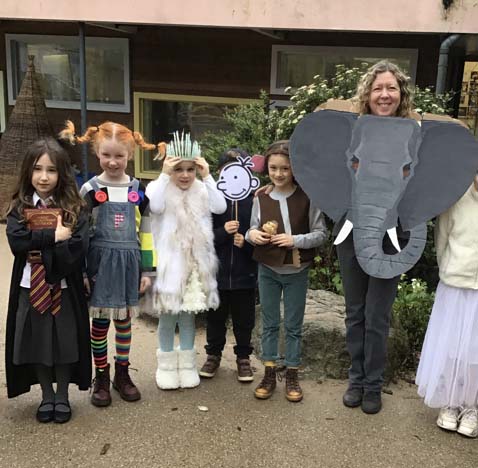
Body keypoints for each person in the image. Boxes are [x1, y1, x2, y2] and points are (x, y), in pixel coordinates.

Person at [59, 120, 157, 407]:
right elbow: (80, 232)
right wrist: (82, 271)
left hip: (129, 264)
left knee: (124, 322)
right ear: (96, 153)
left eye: (120, 156)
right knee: (100, 323)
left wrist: (148, 269)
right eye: (106, 155)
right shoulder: (89, 190)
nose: (113, 162)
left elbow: (147, 233)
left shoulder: (139, 191)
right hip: (99, 265)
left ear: (130, 155)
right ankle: (101, 376)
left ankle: (122, 374)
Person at [338, 60, 414, 414]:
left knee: (378, 314)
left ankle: (373, 384)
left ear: (401, 94)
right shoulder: (352, 131)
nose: (384, 95)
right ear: (367, 94)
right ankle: (356, 378)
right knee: (355, 312)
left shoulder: (415, 132)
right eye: (377, 88)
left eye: (391, 88)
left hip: (391, 232)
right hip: (352, 227)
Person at [5, 138, 91, 423]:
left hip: (63, 288)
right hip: (30, 287)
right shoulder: (20, 207)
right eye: (38, 169)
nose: (44, 177)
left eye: (51, 170)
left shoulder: (75, 209)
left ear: (62, 173)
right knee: (38, 342)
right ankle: (46, 396)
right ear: (28, 172)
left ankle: (63, 395)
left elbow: (76, 250)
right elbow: (17, 242)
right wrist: (54, 237)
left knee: (65, 343)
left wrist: (41, 246)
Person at [246, 140, 327, 402]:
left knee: (293, 325)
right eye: (273, 168)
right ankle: (269, 371)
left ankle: (292, 372)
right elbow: (251, 229)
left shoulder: (308, 198)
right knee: (269, 323)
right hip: (268, 268)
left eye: (285, 169)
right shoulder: (261, 196)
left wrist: (295, 240)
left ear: (295, 169)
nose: (278, 174)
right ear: (266, 168)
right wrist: (253, 236)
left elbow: (321, 234)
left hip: (296, 270)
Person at [146, 133, 227, 390]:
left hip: (194, 266)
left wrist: (207, 176)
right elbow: (156, 206)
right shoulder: (158, 187)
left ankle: (188, 365)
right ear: (170, 168)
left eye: (190, 169)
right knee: (169, 316)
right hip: (170, 265)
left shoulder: (202, 189)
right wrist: (162, 174)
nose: (184, 175)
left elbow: (220, 207)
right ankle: (167, 367)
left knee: (188, 317)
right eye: (178, 169)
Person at [416, 173, 478, 438]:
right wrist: (448, 271)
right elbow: (442, 238)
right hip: (456, 283)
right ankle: (451, 403)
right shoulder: (457, 194)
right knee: (453, 347)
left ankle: (473, 406)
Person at [199, 149, 258, 382]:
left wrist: (246, 243)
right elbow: (202, 237)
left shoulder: (253, 202)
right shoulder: (211, 201)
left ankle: (243, 358)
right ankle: (213, 355)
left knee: (244, 321)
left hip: (245, 273)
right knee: (215, 318)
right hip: (217, 274)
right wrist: (223, 232)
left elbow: (261, 236)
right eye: (227, 169)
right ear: (220, 173)